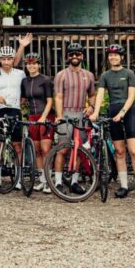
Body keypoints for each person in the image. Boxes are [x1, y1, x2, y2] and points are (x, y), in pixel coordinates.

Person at [91, 45, 135, 200]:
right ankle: (123, 186)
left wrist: (122, 113)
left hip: (128, 112)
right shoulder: (105, 75)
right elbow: (100, 94)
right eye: (110, 55)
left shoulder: (129, 73)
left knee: (134, 151)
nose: (113, 58)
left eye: (116, 55)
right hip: (113, 110)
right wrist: (96, 112)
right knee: (119, 151)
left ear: (121, 57)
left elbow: (131, 97)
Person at [50, 42, 96, 194]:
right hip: (66, 113)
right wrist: (59, 116)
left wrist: (91, 106)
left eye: (77, 54)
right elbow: (58, 96)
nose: (74, 56)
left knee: (79, 149)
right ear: (67, 57)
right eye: (71, 54)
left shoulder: (89, 75)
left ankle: (74, 181)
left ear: (82, 56)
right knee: (62, 149)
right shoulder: (61, 75)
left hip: (80, 114)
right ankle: (57, 182)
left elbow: (92, 95)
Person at [0, 45, 25, 191]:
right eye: (3, 59)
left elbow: (25, 93)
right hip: (0, 112)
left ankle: (19, 178)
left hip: (15, 111)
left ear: (13, 59)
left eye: (9, 59)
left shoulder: (21, 74)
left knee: (17, 145)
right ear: (0, 60)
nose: (6, 62)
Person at [19, 52, 53, 193]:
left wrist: (44, 116)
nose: (31, 66)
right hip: (32, 117)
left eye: (34, 63)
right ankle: (42, 180)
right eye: (29, 63)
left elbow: (50, 100)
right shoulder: (25, 81)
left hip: (46, 116)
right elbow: (23, 99)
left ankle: (49, 181)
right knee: (37, 150)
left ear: (39, 65)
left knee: (46, 150)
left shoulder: (45, 80)